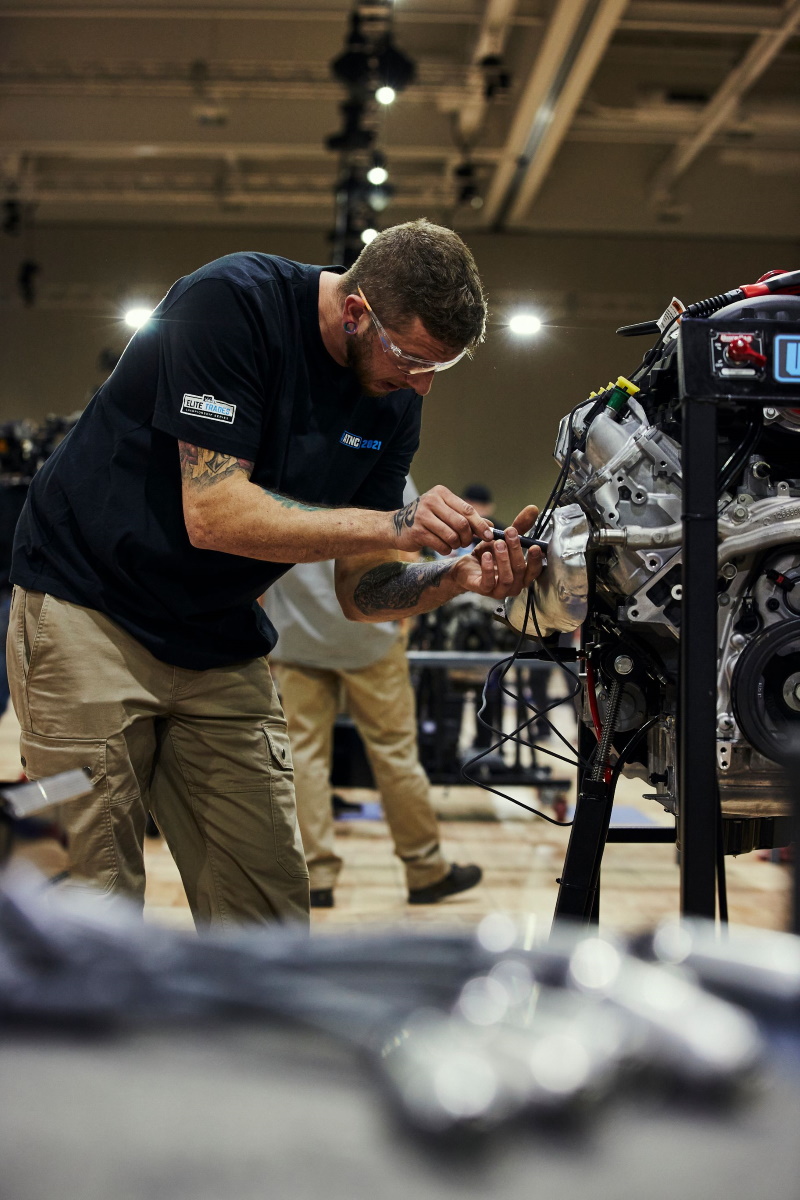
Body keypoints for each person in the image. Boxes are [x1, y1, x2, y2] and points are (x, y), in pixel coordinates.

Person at [7, 218, 542, 928]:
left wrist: (453, 578)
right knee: (86, 904)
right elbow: (215, 513)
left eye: (438, 368)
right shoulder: (229, 303)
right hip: (88, 609)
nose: (422, 386)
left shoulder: (392, 400)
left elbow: (361, 591)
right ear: (356, 312)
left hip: (219, 634)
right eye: (413, 359)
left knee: (268, 911)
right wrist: (396, 525)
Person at [269, 483, 481, 908]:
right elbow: (411, 549)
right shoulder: (384, 457)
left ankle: (315, 877)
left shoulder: (285, 461)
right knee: (395, 754)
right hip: (371, 637)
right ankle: (425, 870)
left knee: (303, 758)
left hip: (295, 637)